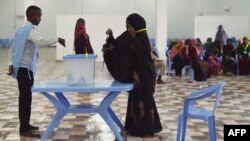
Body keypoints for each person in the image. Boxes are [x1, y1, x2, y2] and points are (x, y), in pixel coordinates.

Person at [7, 5, 65, 138]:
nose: (40, 19)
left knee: (26, 97)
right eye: (38, 16)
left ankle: (26, 124)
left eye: (40, 16)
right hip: (25, 69)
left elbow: (12, 48)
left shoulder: (20, 29)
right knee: (25, 98)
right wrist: (57, 39)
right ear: (30, 16)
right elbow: (41, 42)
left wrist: (11, 63)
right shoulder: (31, 30)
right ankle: (24, 128)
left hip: (20, 68)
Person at [103, 13, 162, 140]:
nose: (127, 29)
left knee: (144, 103)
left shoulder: (140, 41)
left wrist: (132, 41)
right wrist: (111, 38)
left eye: (128, 26)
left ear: (135, 27)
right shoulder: (133, 37)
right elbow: (119, 46)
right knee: (136, 102)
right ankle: (135, 129)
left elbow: (134, 56)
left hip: (145, 80)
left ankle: (146, 132)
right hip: (138, 80)